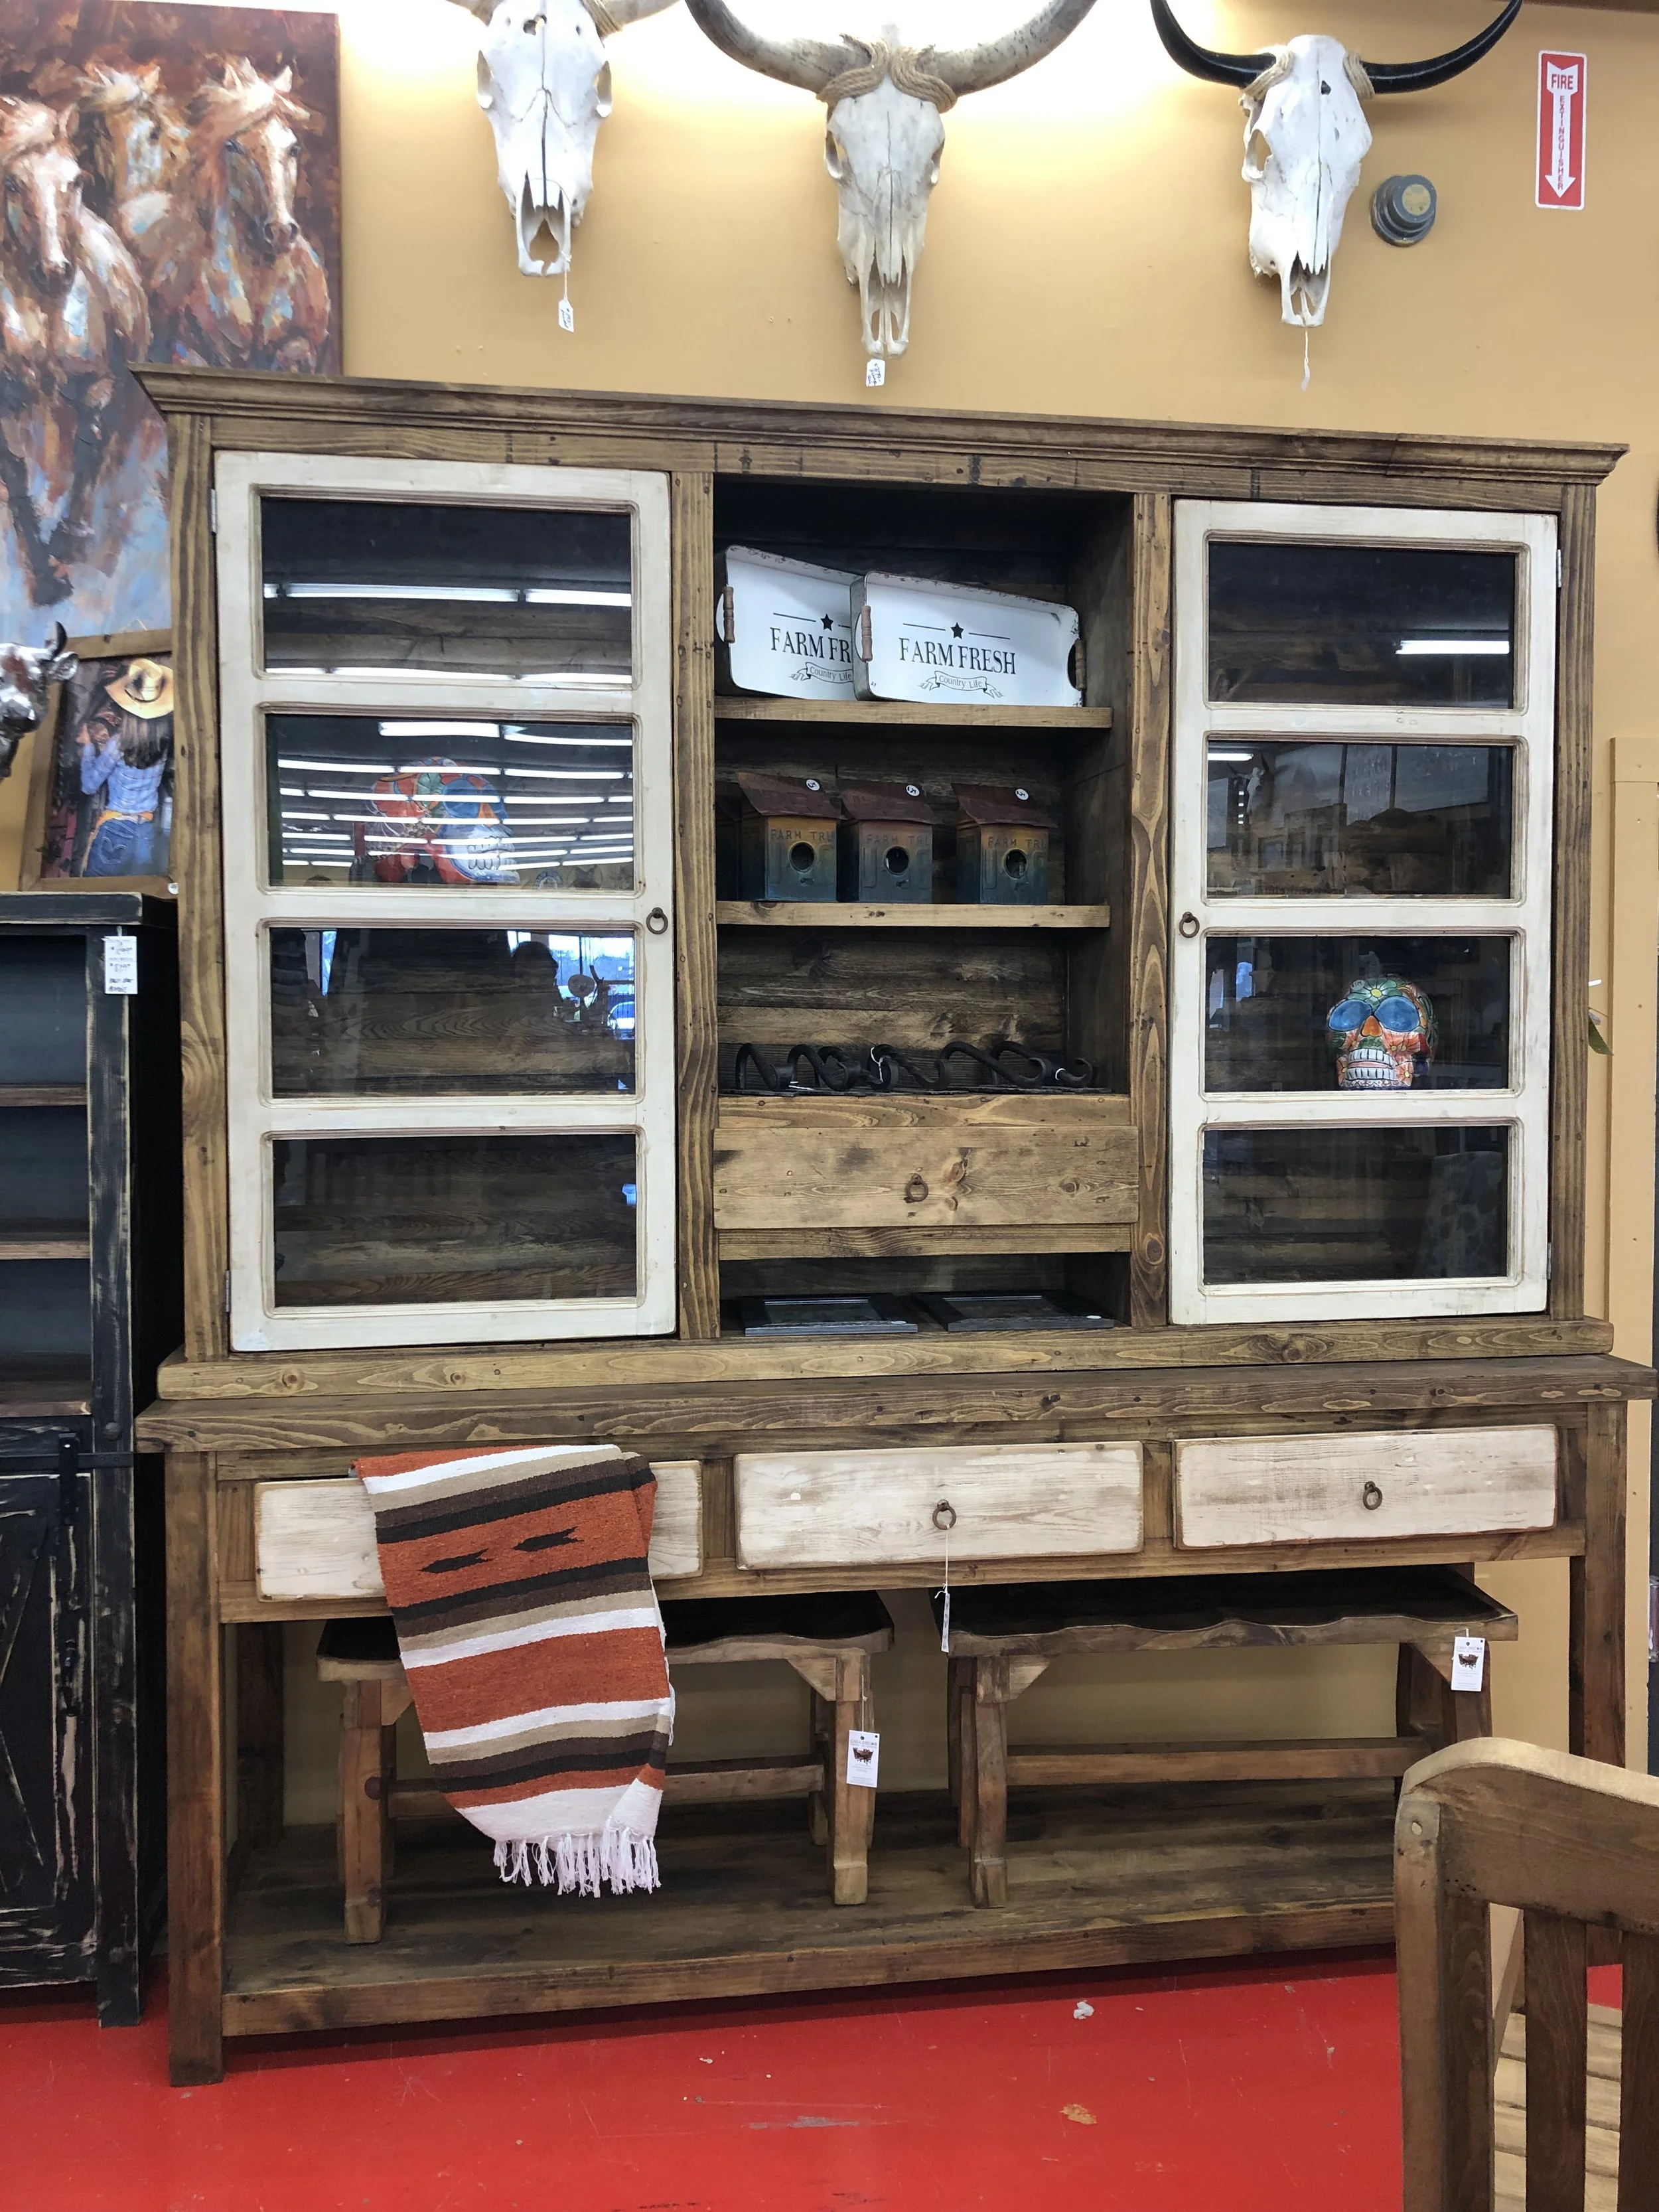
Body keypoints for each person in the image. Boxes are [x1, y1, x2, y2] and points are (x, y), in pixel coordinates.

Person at [76, 656, 173, 877]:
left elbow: (89, 786)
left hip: (115, 830)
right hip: (146, 832)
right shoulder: (164, 744)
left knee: (97, 899)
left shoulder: (119, 744)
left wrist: (89, 747)